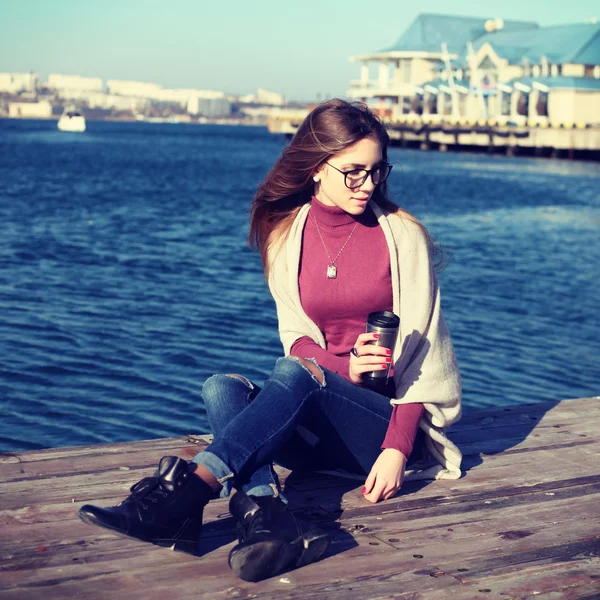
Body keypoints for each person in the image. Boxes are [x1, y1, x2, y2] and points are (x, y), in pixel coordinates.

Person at [79, 99, 462, 583]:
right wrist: (346, 370)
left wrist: (397, 447)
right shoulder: (288, 236)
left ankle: (188, 493)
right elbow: (298, 341)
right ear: (317, 168)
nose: (367, 184)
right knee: (221, 386)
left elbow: (429, 359)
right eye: (353, 172)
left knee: (292, 375)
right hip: (316, 432)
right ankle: (267, 519)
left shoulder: (401, 237)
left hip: (380, 438)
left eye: (377, 171)